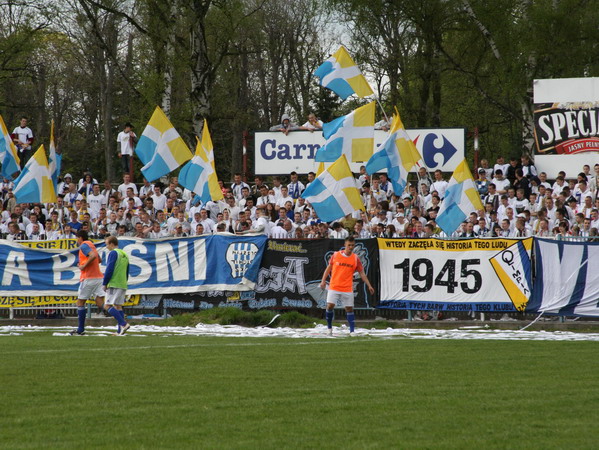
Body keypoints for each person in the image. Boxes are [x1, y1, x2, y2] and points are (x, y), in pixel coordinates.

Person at [319, 236, 375, 336]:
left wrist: (369, 285)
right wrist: (323, 281)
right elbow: (328, 268)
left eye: (352, 245)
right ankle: (329, 328)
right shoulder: (336, 255)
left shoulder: (355, 258)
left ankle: (352, 331)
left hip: (347, 287)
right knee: (330, 305)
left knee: (349, 308)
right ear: (345, 245)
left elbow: (362, 273)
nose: (350, 247)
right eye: (349, 245)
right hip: (334, 286)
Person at [70, 230, 105, 336]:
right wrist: (84, 262)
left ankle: (80, 329)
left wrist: (83, 266)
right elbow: (99, 259)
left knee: (80, 303)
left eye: (77, 238)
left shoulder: (84, 245)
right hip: (98, 277)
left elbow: (93, 256)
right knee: (100, 303)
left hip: (88, 278)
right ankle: (121, 319)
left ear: (80, 237)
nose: (76, 240)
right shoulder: (91, 244)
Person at [102, 236, 131, 335]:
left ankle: (123, 324)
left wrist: (105, 283)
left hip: (114, 283)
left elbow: (109, 268)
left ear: (111, 244)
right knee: (118, 306)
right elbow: (127, 270)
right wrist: (125, 281)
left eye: (107, 244)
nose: (106, 247)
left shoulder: (113, 253)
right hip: (122, 283)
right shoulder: (124, 254)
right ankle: (120, 331)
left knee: (107, 305)